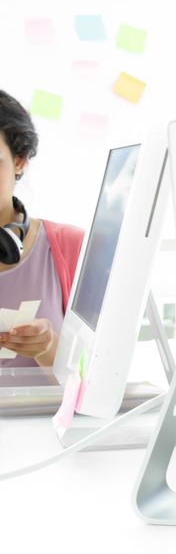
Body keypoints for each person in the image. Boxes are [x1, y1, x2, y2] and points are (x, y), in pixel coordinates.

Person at [0, 90, 84, 369]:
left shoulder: (73, 247)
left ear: (19, 160)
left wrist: (49, 348)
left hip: (43, 414)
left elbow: (95, 382)